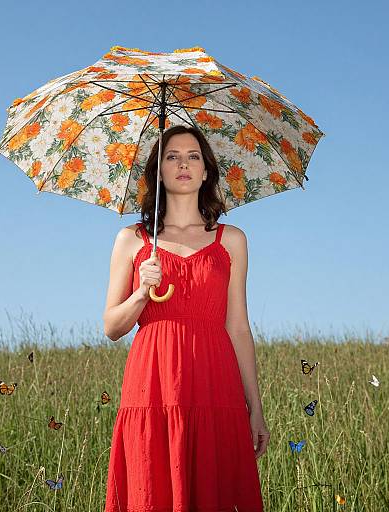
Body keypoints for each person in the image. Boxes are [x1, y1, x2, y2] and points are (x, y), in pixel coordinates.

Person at [103, 125, 270, 511]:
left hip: (216, 378)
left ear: (207, 170)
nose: (183, 164)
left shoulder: (232, 240)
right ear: (158, 170)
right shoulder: (132, 239)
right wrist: (142, 293)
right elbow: (112, 326)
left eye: (193, 156)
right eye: (172, 156)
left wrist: (255, 407)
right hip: (153, 380)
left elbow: (239, 327)